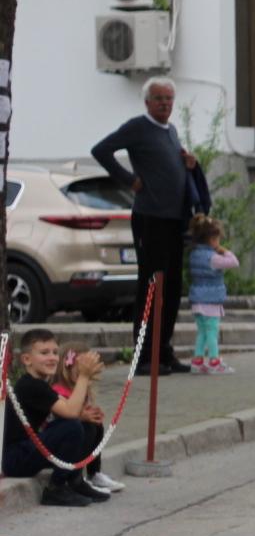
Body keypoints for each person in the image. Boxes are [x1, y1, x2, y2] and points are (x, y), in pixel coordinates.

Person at [91, 77, 195, 374]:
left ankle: (164, 351)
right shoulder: (137, 127)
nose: (165, 104)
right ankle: (144, 356)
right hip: (151, 217)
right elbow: (101, 150)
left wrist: (188, 163)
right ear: (148, 102)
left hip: (175, 219)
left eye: (169, 99)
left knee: (173, 288)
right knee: (152, 285)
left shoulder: (171, 131)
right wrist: (129, 180)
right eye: (159, 98)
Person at [3, 329, 111, 506]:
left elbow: (68, 407)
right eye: (44, 353)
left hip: (29, 450)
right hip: (16, 459)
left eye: (55, 352)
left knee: (87, 425)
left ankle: (75, 480)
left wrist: (85, 414)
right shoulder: (30, 385)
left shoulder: (40, 383)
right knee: (72, 426)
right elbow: (70, 411)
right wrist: (83, 375)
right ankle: (56, 489)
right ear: (27, 360)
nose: (52, 357)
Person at [53, 341, 122, 496]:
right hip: (60, 445)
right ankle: (75, 476)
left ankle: (94, 473)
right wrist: (82, 416)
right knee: (87, 427)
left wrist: (90, 413)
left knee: (96, 426)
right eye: (82, 370)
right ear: (67, 367)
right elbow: (60, 416)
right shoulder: (58, 390)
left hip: (72, 434)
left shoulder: (80, 389)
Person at [185, 215, 240, 374]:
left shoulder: (194, 254)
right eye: (217, 239)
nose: (219, 242)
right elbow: (234, 262)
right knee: (212, 332)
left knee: (202, 332)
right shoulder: (213, 258)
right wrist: (225, 251)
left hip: (197, 300)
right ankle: (214, 361)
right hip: (210, 301)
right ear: (211, 239)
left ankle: (197, 360)